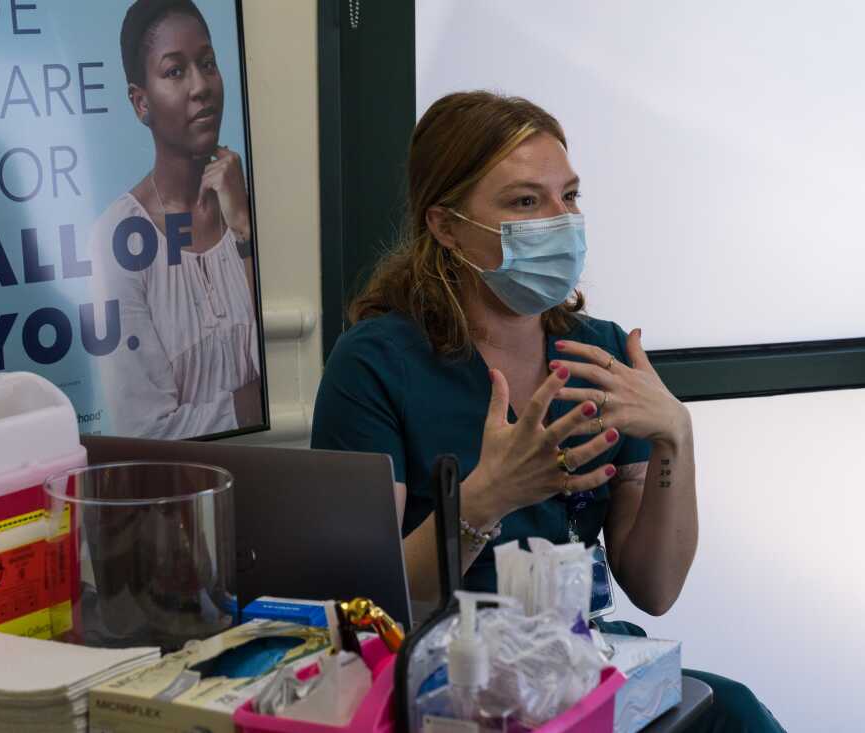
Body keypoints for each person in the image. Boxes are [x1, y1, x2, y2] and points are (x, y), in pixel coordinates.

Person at [311, 91, 784, 731]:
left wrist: (676, 436)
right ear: (446, 226)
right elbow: (363, 605)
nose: (561, 221)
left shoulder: (602, 354)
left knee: (735, 714)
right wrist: (484, 501)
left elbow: (656, 588)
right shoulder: (374, 365)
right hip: (447, 679)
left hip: (578, 658)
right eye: (525, 202)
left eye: (570, 197)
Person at [90, 0, 262, 439]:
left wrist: (243, 230)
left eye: (208, 64)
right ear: (140, 102)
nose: (201, 86)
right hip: (168, 497)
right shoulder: (117, 238)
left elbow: (285, 371)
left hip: (275, 474)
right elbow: (146, 430)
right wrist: (254, 400)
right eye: (175, 71)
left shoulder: (248, 208)